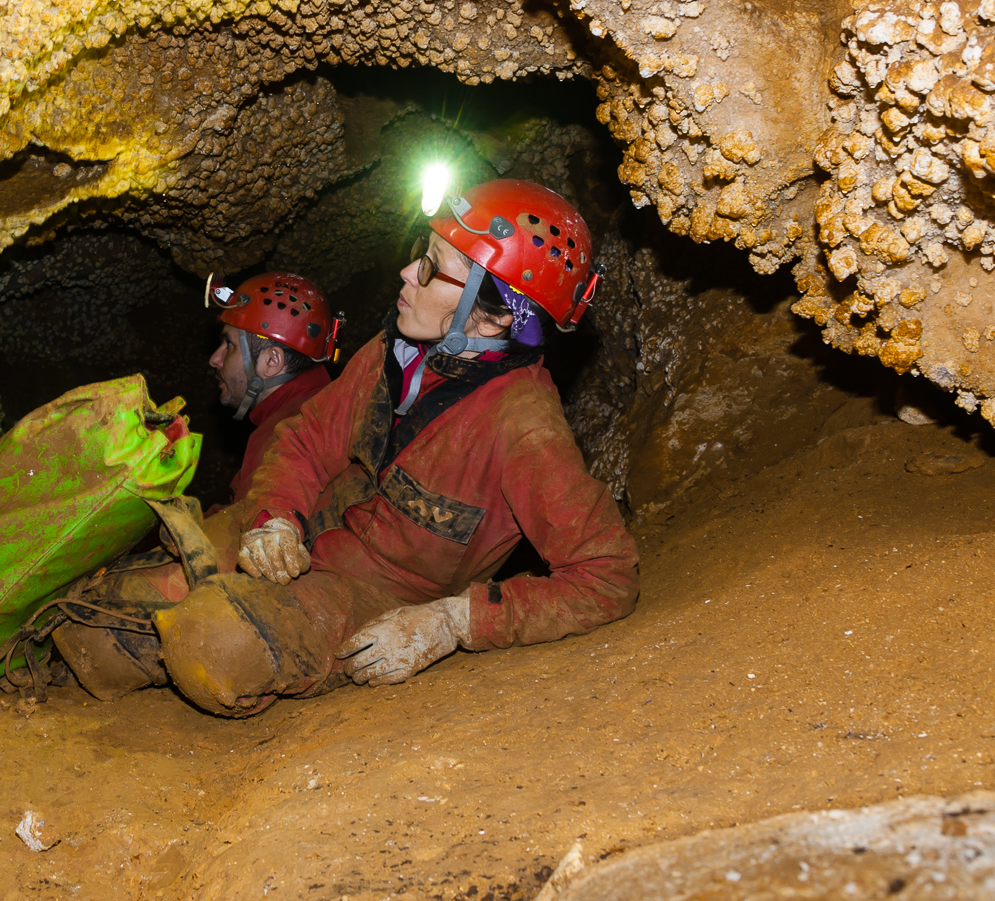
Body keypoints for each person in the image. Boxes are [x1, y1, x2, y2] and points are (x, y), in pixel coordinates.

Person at [57, 179, 638, 715]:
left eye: (432, 270)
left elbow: (606, 574)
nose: (408, 273)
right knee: (103, 622)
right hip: (309, 533)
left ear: (487, 321)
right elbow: (308, 439)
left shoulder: (523, 426)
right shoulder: (396, 351)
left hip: (368, 594)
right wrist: (275, 517)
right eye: (420, 251)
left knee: (218, 644)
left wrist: (456, 622)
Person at [204, 271, 341, 507]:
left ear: (271, 361)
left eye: (229, 345)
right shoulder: (326, 411)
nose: (215, 359)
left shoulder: (283, 438)